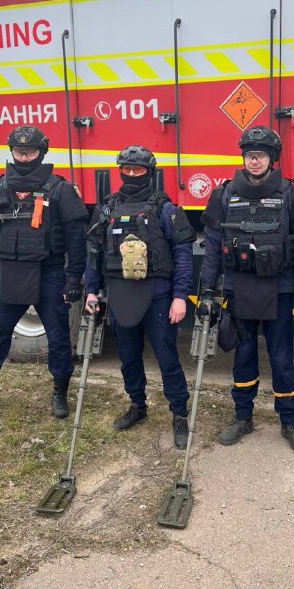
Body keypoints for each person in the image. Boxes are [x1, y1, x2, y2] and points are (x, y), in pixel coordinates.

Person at [199, 125, 294, 452]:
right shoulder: (223, 194)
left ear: (272, 159)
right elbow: (212, 248)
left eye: (261, 156)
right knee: (243, 357)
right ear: (243, 158)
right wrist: (207, 291)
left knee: (282, 359)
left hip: (279, 290)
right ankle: (243, 417)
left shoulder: (293, 194)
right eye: (250, 155)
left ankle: (290, 422)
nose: (255, 161)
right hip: (239, 290)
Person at [0, 125, 88, 419]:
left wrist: (74, 279)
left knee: (58, 338)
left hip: (50, 274)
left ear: (41, 152)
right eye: (19, 152)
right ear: (12, 152)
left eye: (29, 152)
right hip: (10, 274)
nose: (24, 157)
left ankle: (60, 392)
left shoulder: (61, 189)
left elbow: (77, 241)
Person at [84, 145, 196, 449]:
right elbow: (94, 252)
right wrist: (91, 290)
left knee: (167, 358)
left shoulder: (166, 209)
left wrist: (180, 296)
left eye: (139, 170)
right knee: (128, 357)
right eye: (127, 169)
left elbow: (183, 254)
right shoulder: (106, 209)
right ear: (120, 171)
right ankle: (137, 405)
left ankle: (179, 414)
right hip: (120, 294)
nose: (132, 174)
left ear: (150, 173)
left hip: (158, 296)